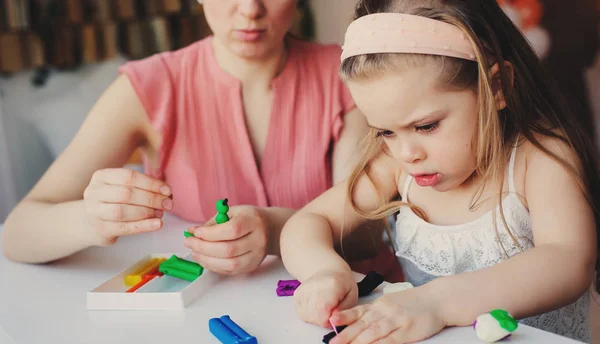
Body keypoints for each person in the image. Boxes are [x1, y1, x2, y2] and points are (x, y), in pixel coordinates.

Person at [280, 0, 600, 344]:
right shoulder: (396, 168)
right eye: (385, 132)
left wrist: (438, 302)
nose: (407, 153)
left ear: (497, 87)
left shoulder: (539, 160)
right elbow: (308, 221)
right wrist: (324, 270)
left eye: (427, 126)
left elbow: (568, 261)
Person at [1, 0, 401, 280]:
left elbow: (365, 232)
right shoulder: (148, 87)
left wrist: (272, 229)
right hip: (208, 317)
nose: (250, 9)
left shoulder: (345, 76)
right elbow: (16, 233)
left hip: (347, 302)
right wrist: (93, 218)